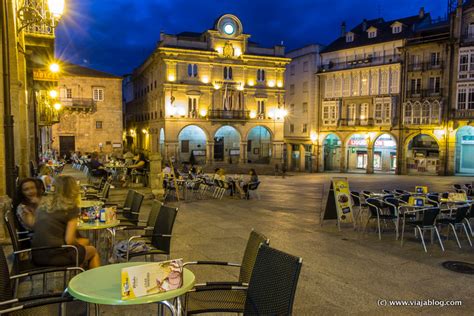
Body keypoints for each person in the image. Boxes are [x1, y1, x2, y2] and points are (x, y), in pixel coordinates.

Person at [31, 176, 101, 269]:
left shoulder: (43, 205)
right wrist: (79, 242)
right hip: (55, 255)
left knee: (84, 243)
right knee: (92, 251)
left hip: (37, 254)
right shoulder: (70, 208)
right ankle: (92, 281)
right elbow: (69, 240)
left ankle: (78, 275)